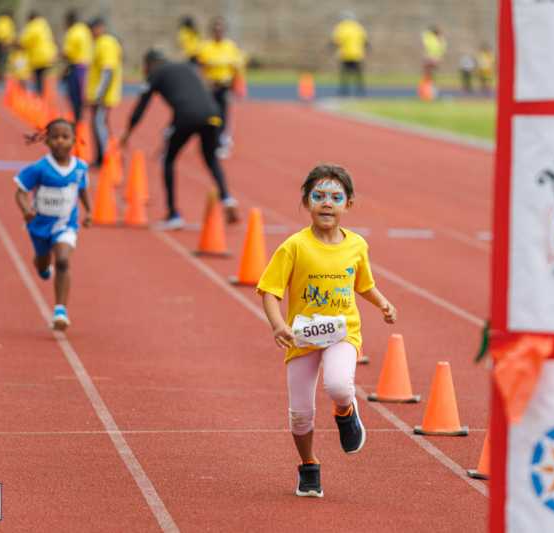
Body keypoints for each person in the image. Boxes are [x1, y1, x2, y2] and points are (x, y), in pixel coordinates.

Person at [256, 164, 397, 498]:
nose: (327, 203)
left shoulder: (356, 245)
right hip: (302, 337)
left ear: (349, 204)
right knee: (300, 414)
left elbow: (363, 284)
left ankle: (345, 411)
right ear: (306, 201)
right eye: (318, 196)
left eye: (336, 197)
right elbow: (270, 291)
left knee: (338, 384)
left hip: (342, 333)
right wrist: (278, 325)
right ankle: (309, 466)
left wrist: (383, 303)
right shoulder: (294, 246)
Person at [120, 49, 239, 230]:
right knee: (211, 159)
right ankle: (227, 198)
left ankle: (173, 214)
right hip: (213, 114)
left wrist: (127, 133)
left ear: (150, 64)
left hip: (187, 116)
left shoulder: (156, 74)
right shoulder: (186, 68)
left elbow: (141, 106)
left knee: (168, 160)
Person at [14, 119, 91, 330]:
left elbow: (82, 189)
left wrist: (89, 211)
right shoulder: (39, 168)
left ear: (74, 141)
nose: (60, 141)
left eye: (65, 137)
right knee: (42, 263)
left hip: (66, 224)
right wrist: (26, 210)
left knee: (63, 260)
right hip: (39, 225)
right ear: (47, 141)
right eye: (55, 137)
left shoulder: (80, 168)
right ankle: (42, 265)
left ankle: (60, 311)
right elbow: (20, 192)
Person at [197, 17, 244, 158]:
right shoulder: (206, 47)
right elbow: (200, 67)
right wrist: (204, 82)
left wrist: (237, 86)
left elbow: (236, 68)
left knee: (223, 115)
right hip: (210, 86)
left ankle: (222, 142)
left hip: (225, 85)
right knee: (210, 115)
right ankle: (211, 140)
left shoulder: (230, 47)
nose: (218, 32)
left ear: (224, 31)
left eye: (221, 29)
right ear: (212, 31)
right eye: (216, 29)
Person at [86, 17, 122, 168]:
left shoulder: (106, 43)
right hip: (100, 94)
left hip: (103, 96)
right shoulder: (100, 43)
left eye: (92, 29)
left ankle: (107, 157)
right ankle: (104, 156)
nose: (91, 33)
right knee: (99, 125)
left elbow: (108, 71)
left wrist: (99, 95)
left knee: (99, 125)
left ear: (99, 27)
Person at [62, 9, 92, 124]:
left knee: (74, 96)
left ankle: (77, 120)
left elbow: (67, 52)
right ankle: (80, 118)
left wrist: (58, 56)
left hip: (76, 66)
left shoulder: (72, 32)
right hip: (87, 65)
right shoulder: (85, 29)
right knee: (83, 94)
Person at [331, 11, 369, 97]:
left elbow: (336, 40)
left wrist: (331, 46)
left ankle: (344, 90)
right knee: (358, 73)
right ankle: (360, 90)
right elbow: (365, 40)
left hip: (345, 54)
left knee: (344, 73)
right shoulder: (358, 27)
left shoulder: (341, 27)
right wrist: (367, 47)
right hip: (357, 54)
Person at [19, 11, 57, 94]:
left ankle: (39, 95)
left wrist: (18, 44)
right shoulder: (44, 24)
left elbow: (25, 42)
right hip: (48, 55)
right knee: (41, 77)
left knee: (38, 77)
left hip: (38, 57)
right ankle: (42, 93)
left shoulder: (32, 26)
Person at [0, 9, 16, 83]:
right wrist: (5, 41)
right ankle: (2, 76)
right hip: (4, 42)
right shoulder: (7, 21)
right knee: (3, 60)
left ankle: (0, 75)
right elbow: (4, 32)